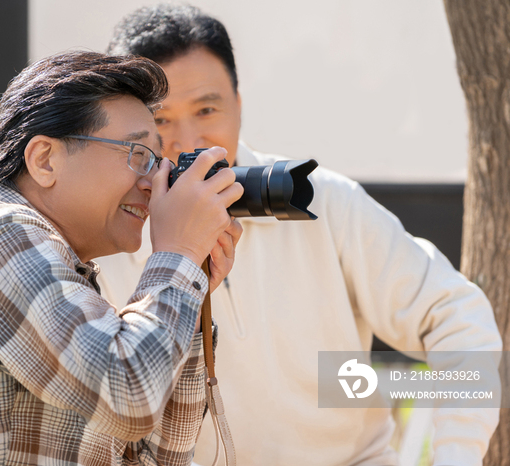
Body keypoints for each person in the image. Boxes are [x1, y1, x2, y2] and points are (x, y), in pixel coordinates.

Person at [99, 5, 503, 465]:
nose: (190, 142)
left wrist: (457, 458)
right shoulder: (109, 237)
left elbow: (456, 315)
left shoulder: (322, 200)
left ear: (239, 101)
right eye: (161, 119)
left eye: (207, 109)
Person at [0, 51, 244, 465]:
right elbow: (130, 394)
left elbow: (158, 458)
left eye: (157, 162)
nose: (153, 182)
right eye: (138, 153)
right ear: (44, 160)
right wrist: (177, 258)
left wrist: (190, 285)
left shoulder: (58, 267)